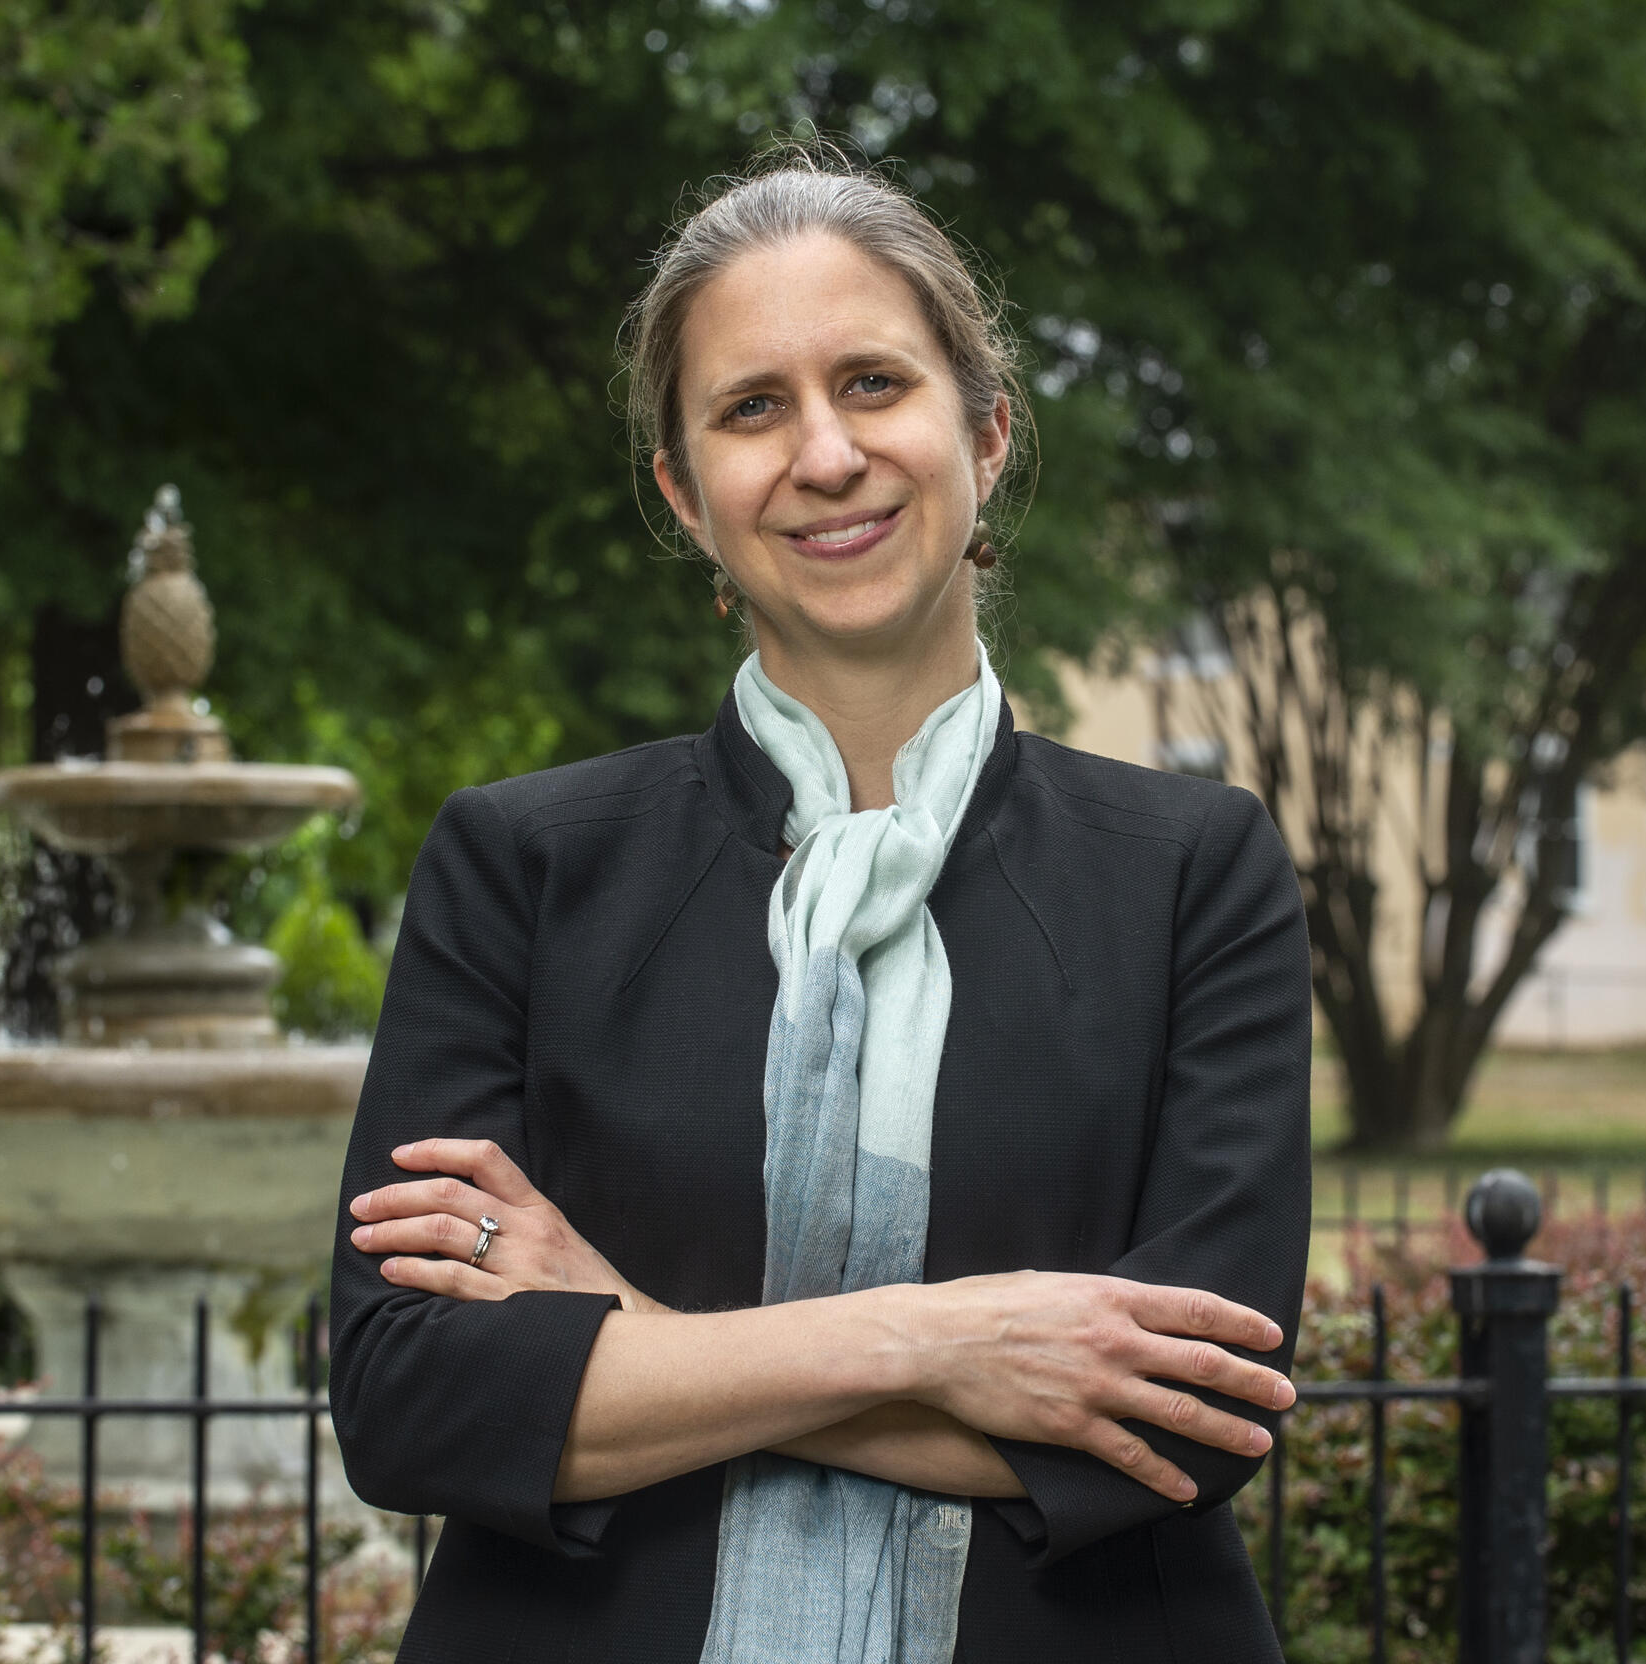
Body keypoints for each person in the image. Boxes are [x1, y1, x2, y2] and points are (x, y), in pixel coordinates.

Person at [330, 151, 1312, 1664]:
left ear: (984, 434)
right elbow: (410, 1404)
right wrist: (953, 1344)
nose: (826, 454)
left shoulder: (1194, 872)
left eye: (872, 383)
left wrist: (629, 1342)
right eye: (751, 408)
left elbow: (1193, 1420)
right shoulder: (520, 867)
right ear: (683, 491)